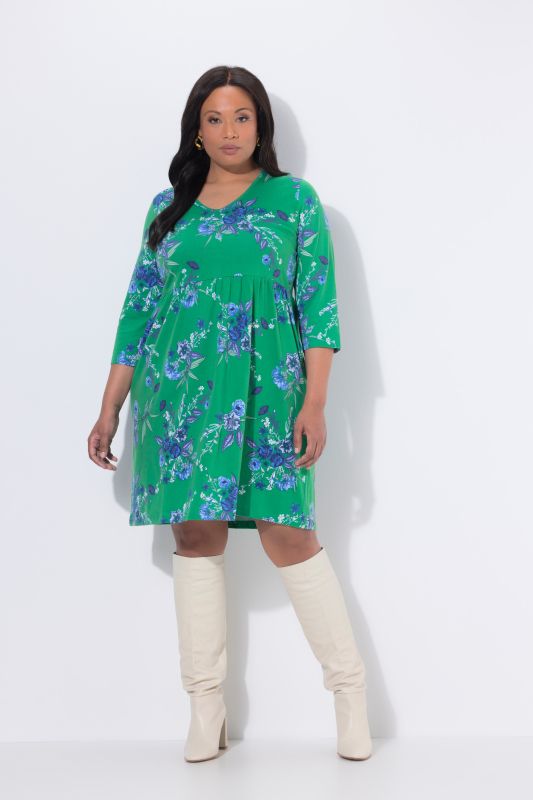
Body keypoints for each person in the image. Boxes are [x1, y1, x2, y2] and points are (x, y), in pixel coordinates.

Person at [88, 65, 372, 763]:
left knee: (290, 536)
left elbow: (320, 311)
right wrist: (109, 407)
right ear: (196, 130)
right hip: (179, 397)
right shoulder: (168, 208)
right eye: (213, 119)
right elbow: (138, 312)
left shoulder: (293, 201)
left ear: (260, 125)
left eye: (241, 117)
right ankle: (204, 707)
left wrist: (315, 403)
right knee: (195, 536)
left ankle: (349, 694)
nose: (228, 131)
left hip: (271, 395)